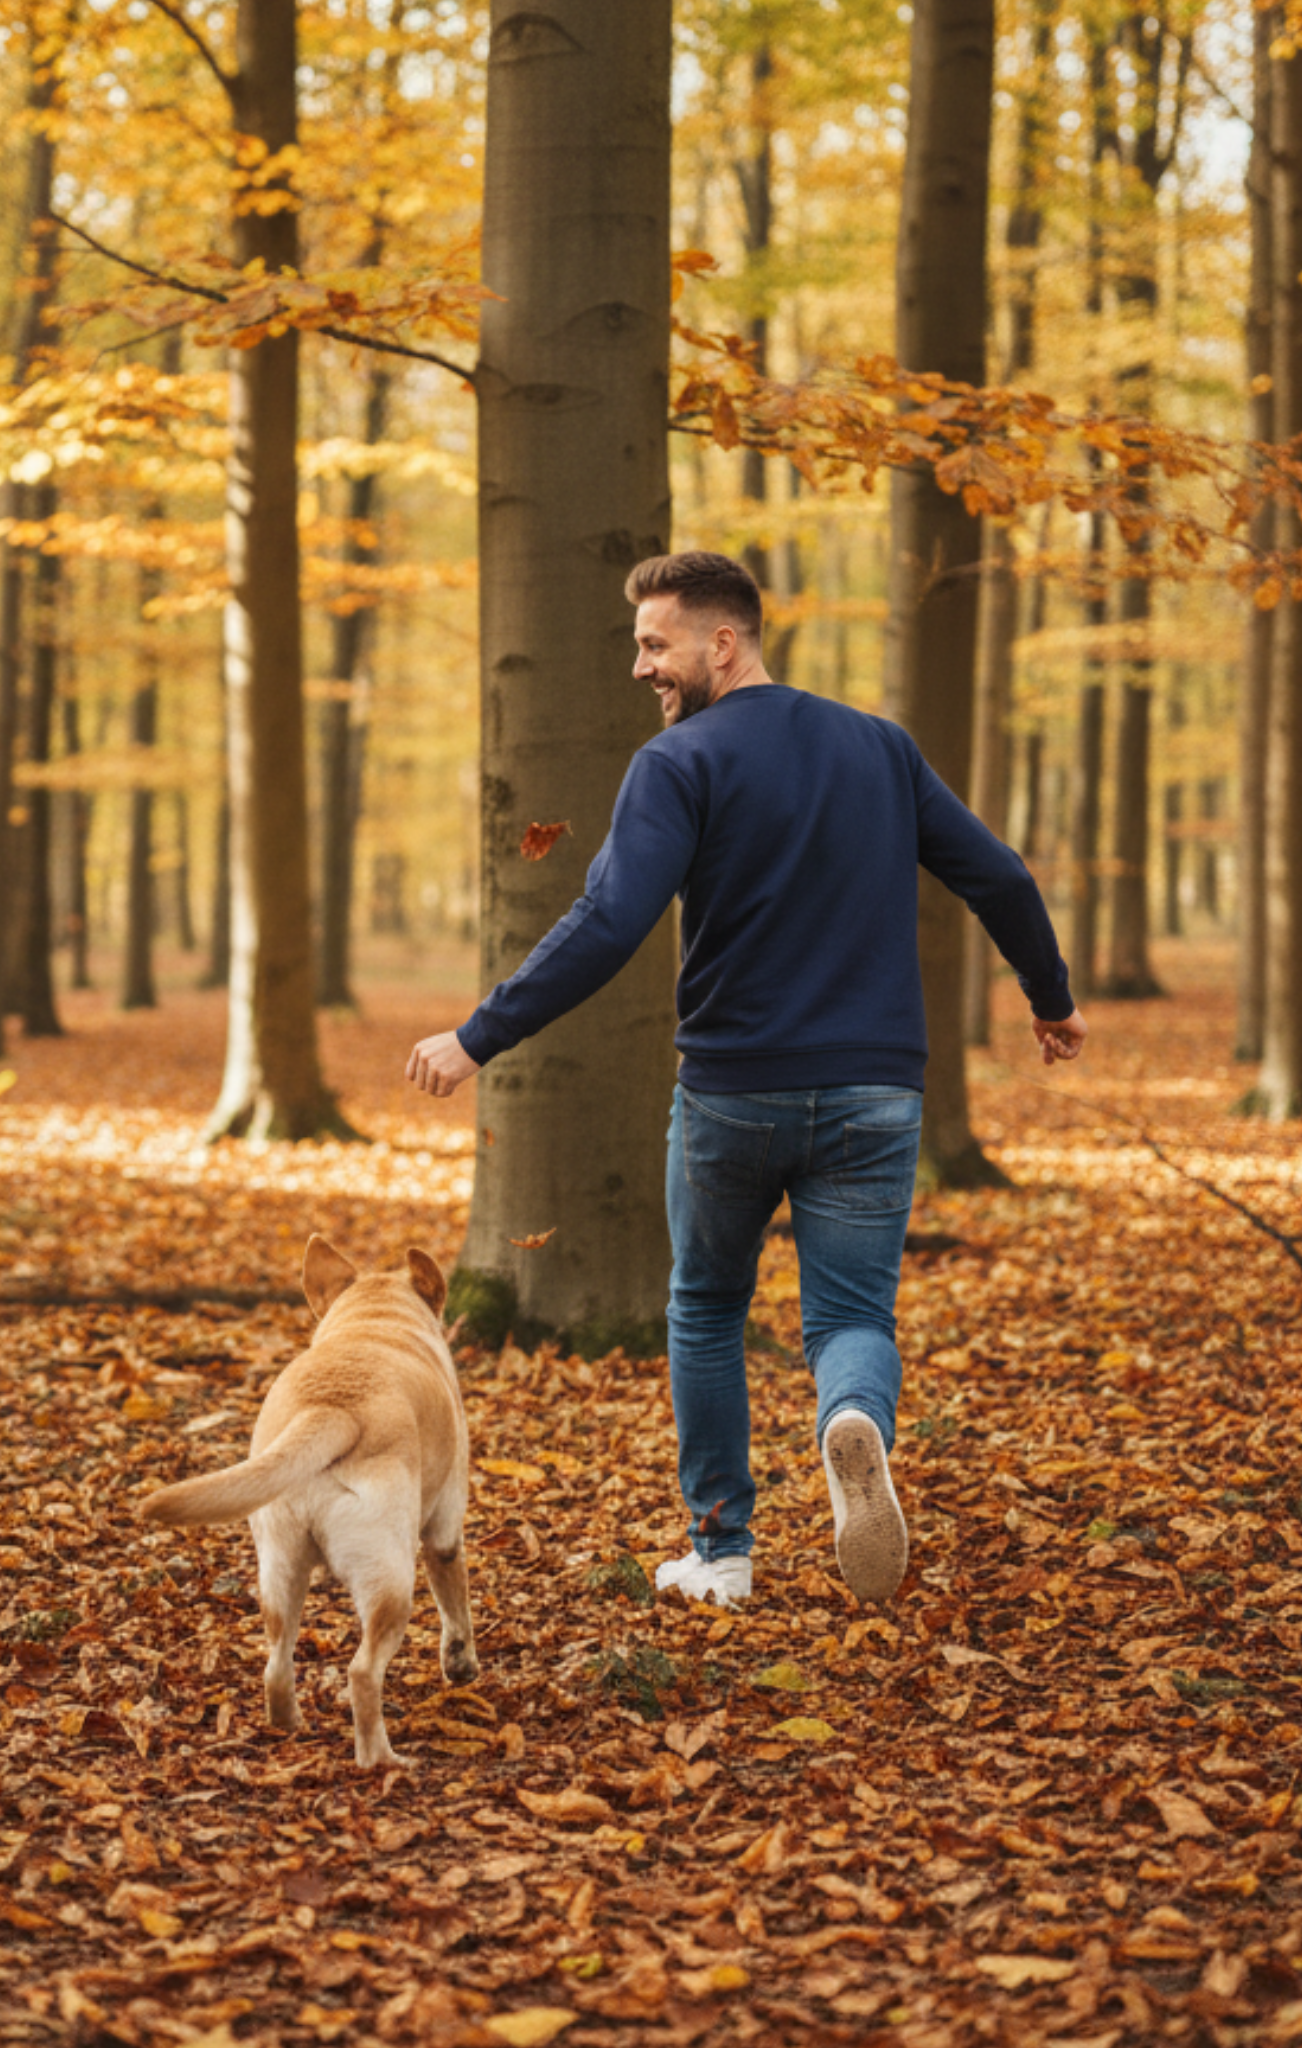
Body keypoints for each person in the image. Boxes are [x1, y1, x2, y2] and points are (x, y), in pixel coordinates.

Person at [406, 550, 1086, 1610]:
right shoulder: (878, 748)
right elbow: (995, 871)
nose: (641, 668)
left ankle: (720, 1548)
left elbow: (608, 921)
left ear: (722, 642)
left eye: (653, 643)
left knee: (708, 1303)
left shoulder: (677, 765)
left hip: (731, 1091)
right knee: (851, 1312)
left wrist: (479, 1034)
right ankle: (846, 1420)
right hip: (872, 1090)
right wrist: (1046, 993)